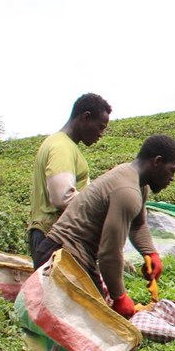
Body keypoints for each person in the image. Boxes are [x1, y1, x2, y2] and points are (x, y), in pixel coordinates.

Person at [36, 134, 175, 320]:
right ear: (157, 161)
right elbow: (109, 253)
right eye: (172, 170)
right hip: (62, 256)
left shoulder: (137, 182)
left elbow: (138, 225)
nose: (172, 178)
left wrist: (150, 253)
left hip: (75, 256)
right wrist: (119, 296)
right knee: (91, 324)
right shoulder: (127, 192)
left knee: (97, 322)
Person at [28, 93, 113, 268]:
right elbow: (63, 197)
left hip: (48, 235)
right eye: (100, 127)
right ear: (85, 117)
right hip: (54, 238)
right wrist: (102, 209)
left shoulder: (58, 143)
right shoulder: (62, 147)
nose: (101, 134)